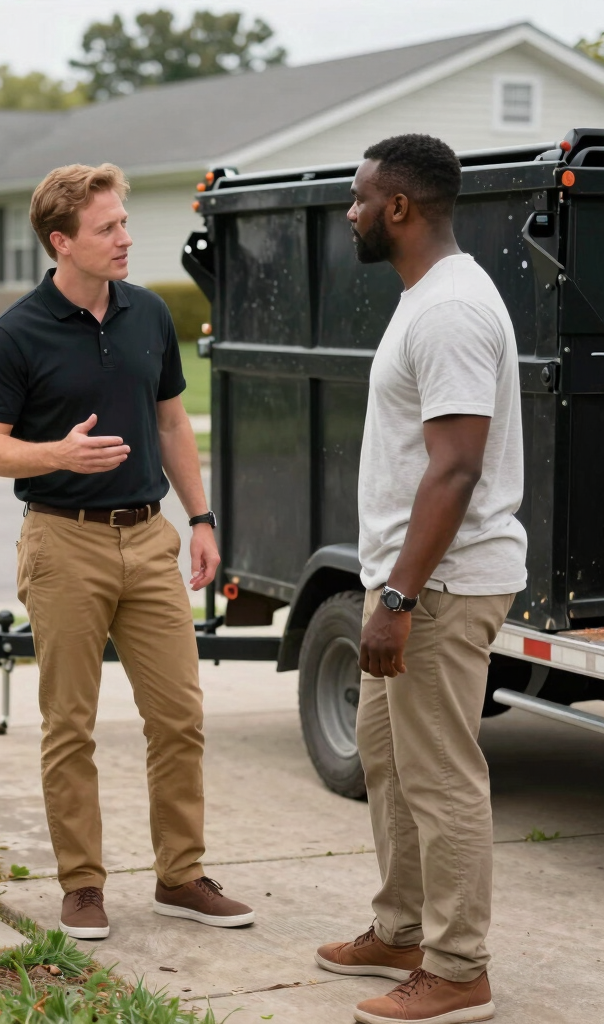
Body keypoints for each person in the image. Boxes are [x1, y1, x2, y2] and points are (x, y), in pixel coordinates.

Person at [0, 162, 254, 940]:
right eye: (108, 228)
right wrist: (58, 453)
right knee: (71, 725)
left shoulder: (149, 315)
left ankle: (181, 875)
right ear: (62, 241)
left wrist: (200, 517)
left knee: (180, 716)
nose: (126, 238)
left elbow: (171, 423)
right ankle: (83, 885)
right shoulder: (16, 333)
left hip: (150, 536)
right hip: (64, 545)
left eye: (125, 223)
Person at [315, 134, 527, 1024]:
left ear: (399, 207)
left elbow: (455, 469)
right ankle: (401, 929)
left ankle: (457, 967)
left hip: (437, 589)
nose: (353, 213)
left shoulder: (448, 312)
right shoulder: (426, 298)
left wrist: (398, 599)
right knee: (391, 765)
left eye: (362, 200)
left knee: (440, 779)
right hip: (406, 582)